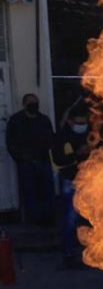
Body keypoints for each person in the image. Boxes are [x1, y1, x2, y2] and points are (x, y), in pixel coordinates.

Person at [6, 93, 55, 226]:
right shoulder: (16, 121)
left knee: (47, 192)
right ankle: (33, 221)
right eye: (31, 103)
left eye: (35, 102)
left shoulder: (44, 120)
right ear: (24, 104)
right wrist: (21, 158)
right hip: (26, 163)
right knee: (30, 193)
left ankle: (48, 220)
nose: (34, 105)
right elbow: (10, 142)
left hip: (43, 161)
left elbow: (51, 138)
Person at [50, 108, 91, 265]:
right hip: (70, 181)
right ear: (70, 121)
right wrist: (76, 155)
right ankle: (68, 254)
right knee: (70, 219)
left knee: (88, 218)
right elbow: (58, 159)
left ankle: (89, 252)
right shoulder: (62, 137)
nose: (82, 125)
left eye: (84, 122)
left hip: (88, 181)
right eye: (79, 122)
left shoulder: (89, 135)